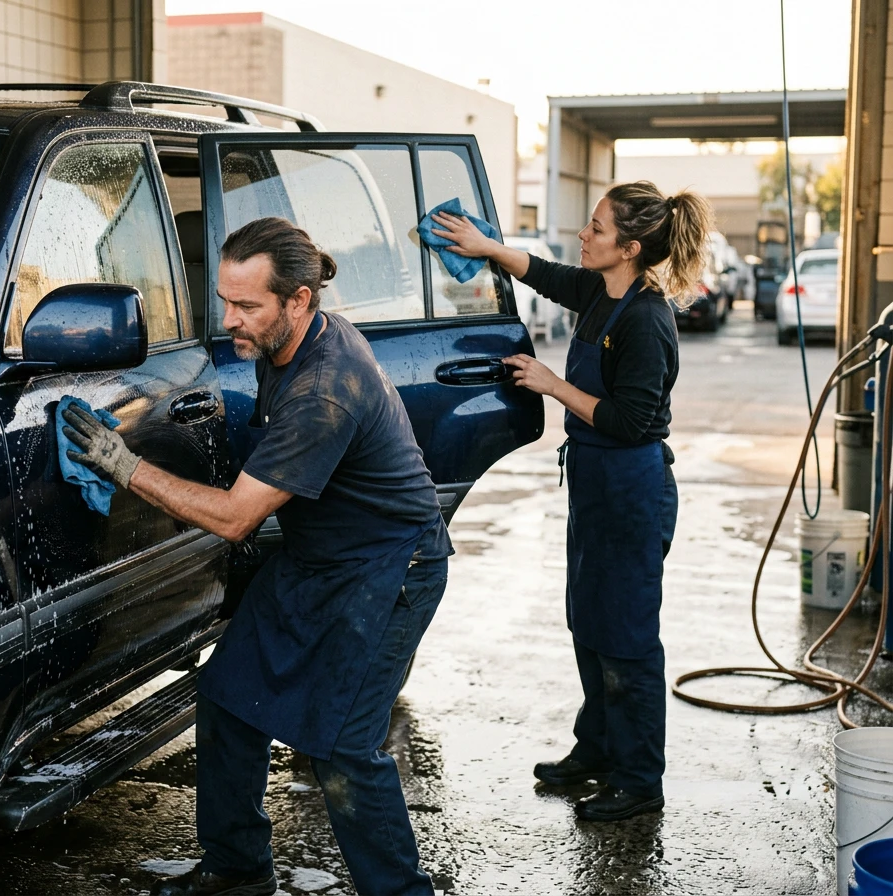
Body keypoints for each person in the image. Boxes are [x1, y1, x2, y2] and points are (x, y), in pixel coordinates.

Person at [62, 216, 452, 894]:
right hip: (318, 558)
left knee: (344, 751)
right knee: (228, 699)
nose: (231, 319)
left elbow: (238, 518)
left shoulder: (325, 389)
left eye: (248, 306)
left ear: (298, 301)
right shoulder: (289, 345)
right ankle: (238, 872)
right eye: (225, 300)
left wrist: (126, 467)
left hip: (390, 570)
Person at [432, 181, 712, 822]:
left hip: (631, 486)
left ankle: (640, 780)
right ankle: (597, 749)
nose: (583, 236)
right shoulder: (598, 290)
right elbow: (547, 275)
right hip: (593, 480)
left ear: (631, 248)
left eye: (597, 228)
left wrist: (552, 385)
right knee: (588, 620)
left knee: (628, 638)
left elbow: (630, 420)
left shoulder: (646, 320)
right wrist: (485, 247)